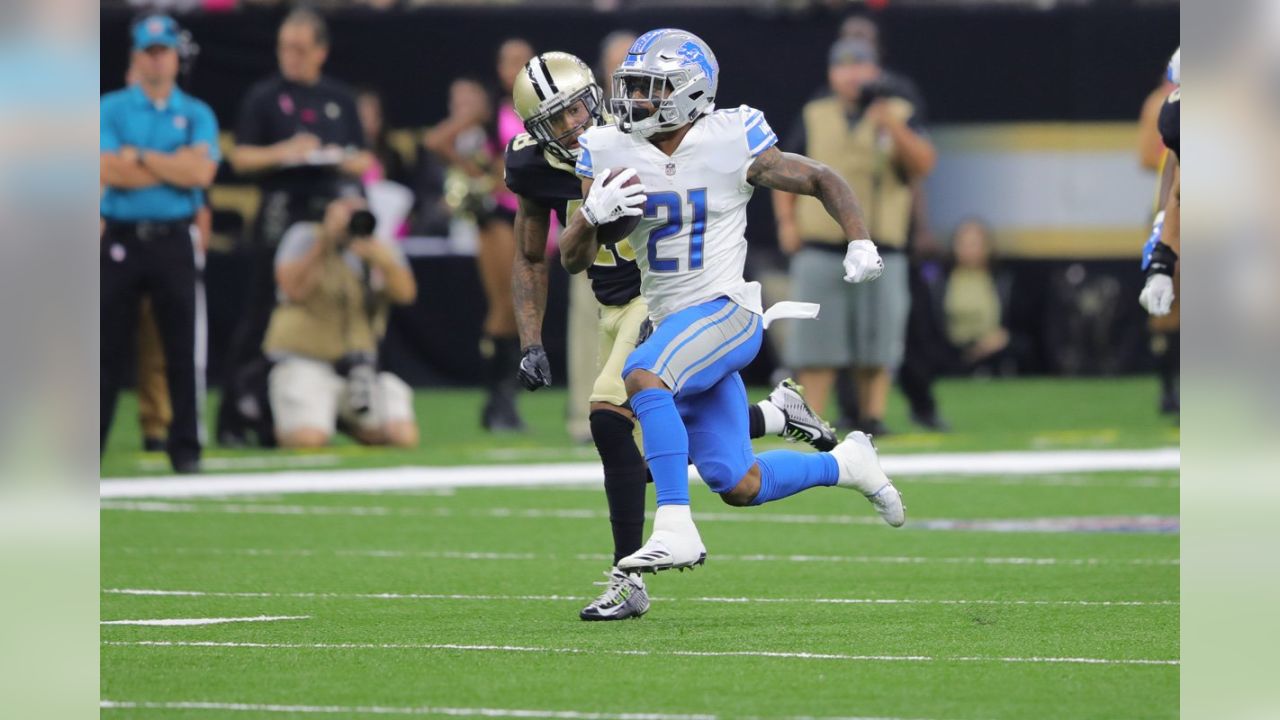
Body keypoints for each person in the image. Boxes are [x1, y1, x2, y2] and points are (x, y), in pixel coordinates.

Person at [562, 29, 905, 576]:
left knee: (643, 373)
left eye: (651, 87)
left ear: (690, 92)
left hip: (728, 311)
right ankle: (848, 463)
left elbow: (820, 177)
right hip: (675, 323)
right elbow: (574, 259)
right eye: (631, 85)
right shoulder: (607, 148)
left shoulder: (730, 138)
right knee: (738, 482)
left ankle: (675, 526)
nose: (635, 99)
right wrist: (590, 217)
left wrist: (859, 237)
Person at [507, 52, 839, 618]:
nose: (574, 125)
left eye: (579, 109)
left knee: (612, 419)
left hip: (661, 294)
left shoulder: (636, 128)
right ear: (536, 131)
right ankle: (776, 416)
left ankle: (628, 577)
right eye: (556, 120)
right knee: (718, 467)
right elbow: (532, 254)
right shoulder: (533, 165)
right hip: (605, 300)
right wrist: (531, 339)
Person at [220, 7, 372, 446]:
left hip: (330, 213)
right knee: (261, 313)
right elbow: (241, 157)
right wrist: (286, 151)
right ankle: (234, 415)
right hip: (281, 211)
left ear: (321, 51)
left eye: (301, 49)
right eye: (285, 48)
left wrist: (337, 157)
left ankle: (307, 410)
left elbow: (363, 159)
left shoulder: (339, 98)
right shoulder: (264, 97)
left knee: (334, 304)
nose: (292, 57)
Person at [774, 37, 935, 436]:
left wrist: (892, 126)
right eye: (843, 66)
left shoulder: (899, 112)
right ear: (832, 73)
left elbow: (923, 165)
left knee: (878, 340)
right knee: (816, 342)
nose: (852, 74)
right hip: (820, 243)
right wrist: (787, 223)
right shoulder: (814, 114)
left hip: (881, 245)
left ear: (875, 71)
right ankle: (813, 419)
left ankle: (871, 418)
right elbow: (779, 170)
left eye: (860, 65)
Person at [100, 14, 219, 473]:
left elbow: (202, 173)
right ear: (135, 57)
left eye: (163, 50)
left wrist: (144, 157)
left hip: (174, 238)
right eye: (148, 52)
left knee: (182, 349)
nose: (156, 59)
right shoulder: (111, 108)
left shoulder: (196, 112)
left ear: (174, 56)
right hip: (123, 237)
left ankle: (185, 449)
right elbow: (109, 171)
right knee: (105, 350)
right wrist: (175, 163)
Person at [263, 197, 418, 448]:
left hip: (359, 367)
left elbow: (406, 294)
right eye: (345, 210)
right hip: (306, 360)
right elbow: (292, 290)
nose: (352, 218)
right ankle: (293, 419)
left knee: (402, 435)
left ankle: (341, 419)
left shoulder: (376, 244)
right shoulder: (305, 236)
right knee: (307, 439)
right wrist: (326, 240)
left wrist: (382, 261)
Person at [1139, 48, 1180, 414]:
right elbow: (1171, 168)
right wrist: (1161, 260)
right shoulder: (1167, 110)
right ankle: (1170, 387)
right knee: (1168, 301)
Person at [943, 219, 1012, 373]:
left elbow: (1019, 329)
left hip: (995, 358)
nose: (966, 249)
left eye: (973, 243)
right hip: (951, 359)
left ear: (987, 247)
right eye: (962, 243)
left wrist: (999, 340)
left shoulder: (1004, 280)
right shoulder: (939, 282)